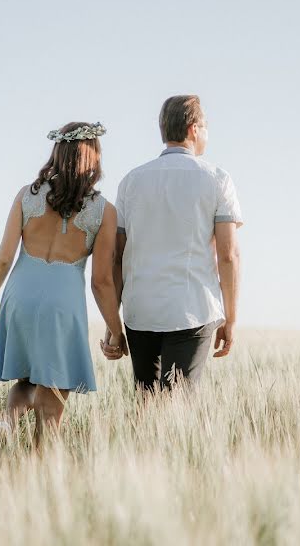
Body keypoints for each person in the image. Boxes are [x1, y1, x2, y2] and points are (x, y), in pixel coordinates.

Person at [0, 121, 125, 445]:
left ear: (58, 153)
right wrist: (116, 331)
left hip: (19, 296)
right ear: (94, 158)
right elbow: (101, 281)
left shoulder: (27, 196)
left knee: (26, 377)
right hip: (63, 304)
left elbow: (4, 256)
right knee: (51, 410)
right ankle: (38, 474)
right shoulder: (104, 211)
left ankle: (7, 420)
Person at [102, 96, 243, 393]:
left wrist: (112, 324)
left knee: (146, 402)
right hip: (192, 308)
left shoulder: (131, 181)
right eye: (206, 127)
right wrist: (231, 319)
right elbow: (228, 255)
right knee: (177, 406)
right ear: (194, 128)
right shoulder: (218, 179)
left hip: (140, 310)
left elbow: (116, 256)